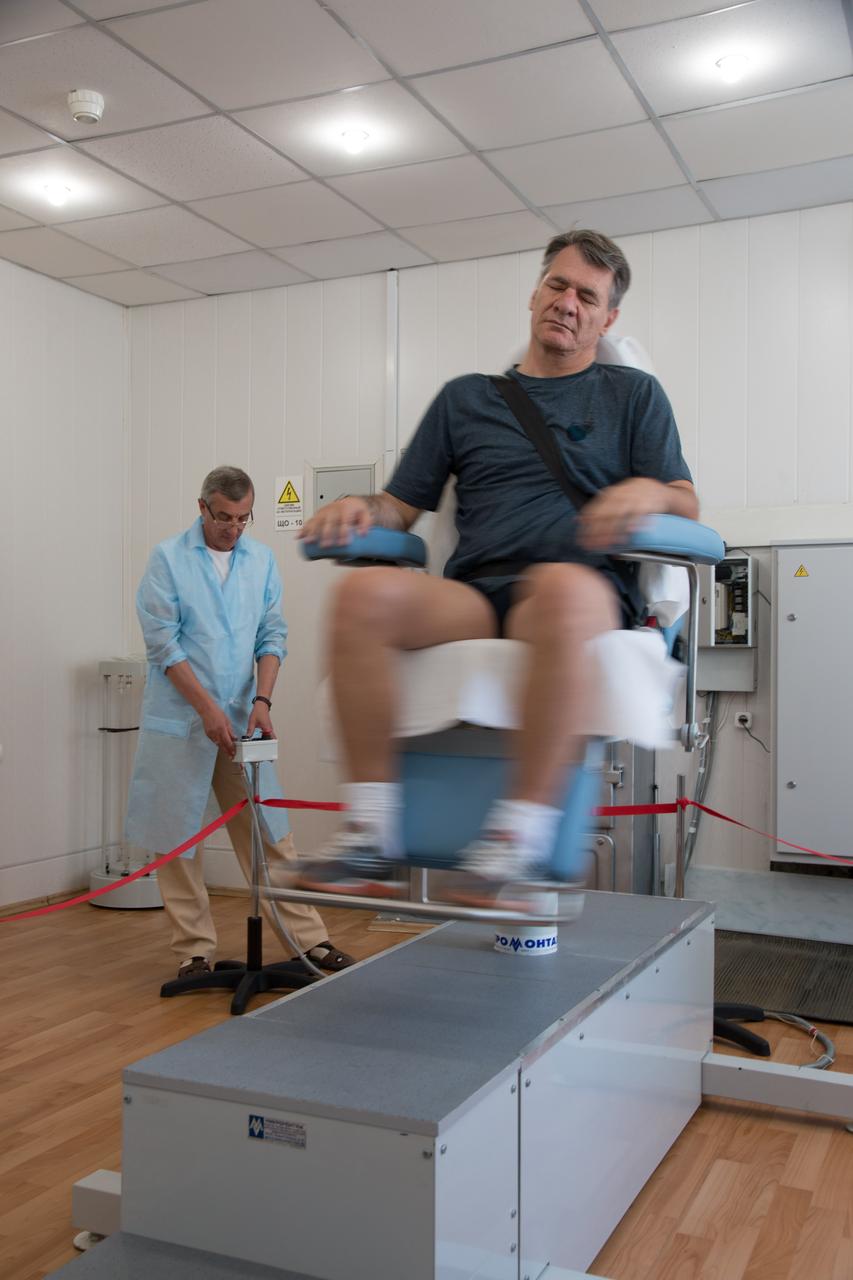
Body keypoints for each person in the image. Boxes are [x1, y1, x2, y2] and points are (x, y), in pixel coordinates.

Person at [296, 230, 699, 909]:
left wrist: (648, 492)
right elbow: (399, 507)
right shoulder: (466, 399)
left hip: (576, 589)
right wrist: (359, 508)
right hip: (478, 595)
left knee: (562, 586)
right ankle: (370, 833)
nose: (567, 303)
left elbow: (685, 500)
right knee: (361, 593)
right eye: (558, 285)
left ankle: (518, 841)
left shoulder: (634, 395)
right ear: (535, 293)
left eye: (587, 296)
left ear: (607, 319)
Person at [126, 466, 352, 978]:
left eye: (243, 518)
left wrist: (263, 700)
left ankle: (309, 943)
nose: (233, 528)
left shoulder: (261, 560)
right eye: (224, 517)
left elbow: (272, 635)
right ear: (202, 507)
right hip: (181, 721)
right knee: (176, 838)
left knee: (270, 830)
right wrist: (206, 710)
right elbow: (163, 645)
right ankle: (193, 953)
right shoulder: (168, 559)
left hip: (244, 721)